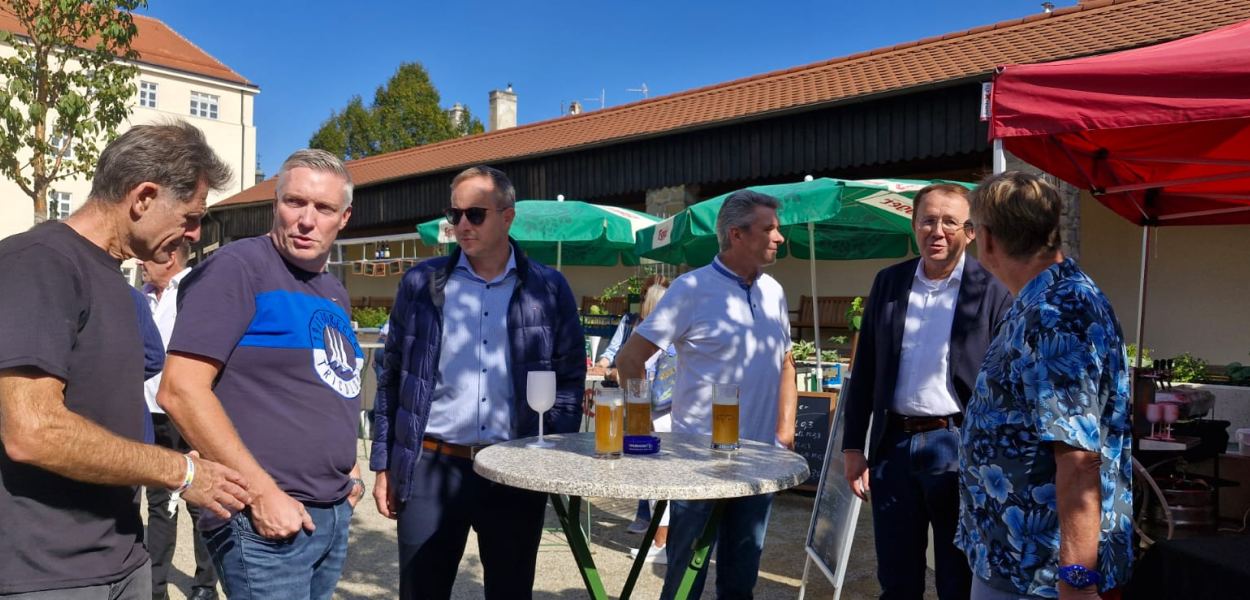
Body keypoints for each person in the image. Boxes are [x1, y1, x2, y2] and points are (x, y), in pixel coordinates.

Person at [0, 121, 248, 598]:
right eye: (191, 216)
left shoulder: (114, 277)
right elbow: (33, 431)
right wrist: (182, 472)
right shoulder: (39, 261)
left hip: (121, 558)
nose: (195, 234)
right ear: (144, 197)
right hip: (48, 575)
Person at [158, 149, 367, 600]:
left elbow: (329, 382)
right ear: (276, 203)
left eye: (324, 208)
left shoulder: (332, 291)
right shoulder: (237, 268)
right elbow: (179, 390)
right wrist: (260, 495)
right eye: (295, 202)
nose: (306, 220)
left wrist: (346, 472)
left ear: (344, 218)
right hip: (264, 520)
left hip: (330, 510)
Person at [370, 165, 585, 600]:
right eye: (455, 214)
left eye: (476, 214)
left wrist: (549, 454)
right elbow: (390, 374)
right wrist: (384, 464)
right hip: (432, 462)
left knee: (510, 590)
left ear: (508, 216)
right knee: (421, 591)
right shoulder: (421, 283)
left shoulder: (548, 287)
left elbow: (569, 379)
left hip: (513, 467)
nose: (462, 225)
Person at [615, 189, 798, 600]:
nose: (779, 238)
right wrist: (641, 427)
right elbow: (630, 360)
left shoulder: (775, 292)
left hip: (757, 461)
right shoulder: (691, 289)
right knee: (684, 582)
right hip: (698, 463)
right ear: (736, 234)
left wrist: (784, 433)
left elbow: (787, 365)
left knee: (740, 581)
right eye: (769, 229)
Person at [956, 172, 1132, 599]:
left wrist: (1076, 577)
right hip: (1017, 561)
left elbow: (1078, 457)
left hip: (1041, 573)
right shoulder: (1043, 298)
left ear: (989, 240)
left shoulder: (1056, 311)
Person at [839, 183, 1011, 600]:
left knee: (958, 576)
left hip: (958, 447)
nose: (937, 230)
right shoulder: (890, 283)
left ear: (970, 231)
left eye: (950, 221)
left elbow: (1006, 384)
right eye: (928, 220)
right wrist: (852, 448)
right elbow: (865, 371)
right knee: (897, 577)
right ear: (914, 226)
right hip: (893, 447)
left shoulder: (992, 289)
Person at [141, 245, 220, 600]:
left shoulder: (196, 291)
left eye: (147, 257)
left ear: (170, 257)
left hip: (187, 414)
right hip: (149, 414)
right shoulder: (141, 298)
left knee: (200, 501)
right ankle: (156, 588)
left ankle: (205, 586)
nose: (141, 263)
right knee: (159, 504)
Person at [594, 273, 668, 534]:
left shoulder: (668, 331)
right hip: (633, 398)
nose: (644, 303)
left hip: (657, 403)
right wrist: (605, 364)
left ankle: (653, 521)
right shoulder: (629, 323)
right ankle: (644, 515)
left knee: (652, 457)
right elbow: (614, 353)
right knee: (639, 455)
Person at [625, 281, 677, 564]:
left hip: (656, 415)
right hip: (665, 412)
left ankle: (661, 543)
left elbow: (636, 374)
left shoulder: (653, 338)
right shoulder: (671, 339)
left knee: (658, 482)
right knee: (659, 481)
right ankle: (661, 541)